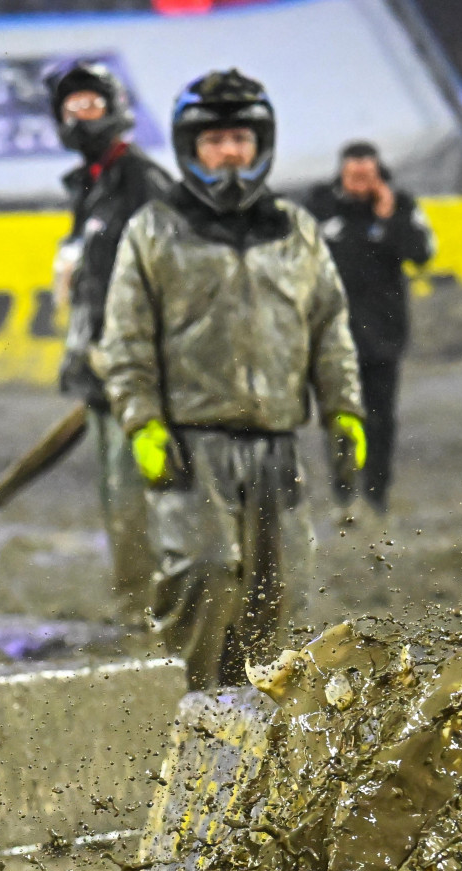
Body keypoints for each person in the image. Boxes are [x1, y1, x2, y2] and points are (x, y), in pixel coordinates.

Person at [98, 69, 363, 693]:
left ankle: (264, 736)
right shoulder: (154, 230)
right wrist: (143, 423)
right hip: (193, 445)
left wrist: (344, 410)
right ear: (191, 149)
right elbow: (127, 340)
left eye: (240, 138)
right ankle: (193, 717)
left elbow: (328, 326)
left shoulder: (295, 231)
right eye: (214, 140)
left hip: (277, 443)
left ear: (260, 143)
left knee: (282, 592)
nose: (229, 153)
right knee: (205, 579)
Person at [48, 58, 176, 623]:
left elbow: (173, 276)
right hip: (101, 372)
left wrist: (138, 355)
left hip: (138, 372)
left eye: (91, 104)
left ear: (116, 109)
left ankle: (153, 611)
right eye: (70, 107)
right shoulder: (92, 186)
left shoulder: (142, 181)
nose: (81, 116)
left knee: (140, 494)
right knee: (119, 496)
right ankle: (137, 603)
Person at [303, 141, 435, 516]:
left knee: (380, 418)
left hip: (384, 335)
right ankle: (344, 492)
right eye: (353, 174)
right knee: (340, 416)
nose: (359, 181)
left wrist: (389, 216)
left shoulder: (401, 205)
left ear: (378, 175)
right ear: (342, 173)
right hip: (332, 335)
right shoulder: (320, 206)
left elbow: (422, 254)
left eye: (367, 174)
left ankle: (377, 493)